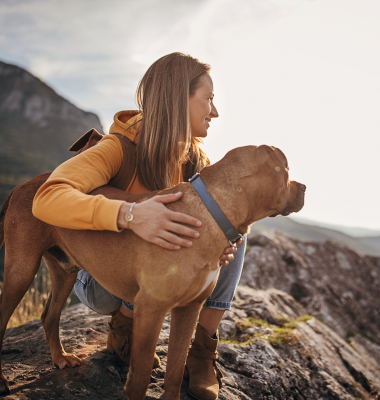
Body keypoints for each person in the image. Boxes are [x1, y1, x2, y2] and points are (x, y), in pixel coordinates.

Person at [32, 52, 244, 400]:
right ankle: (124, 328)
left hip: (155, 274)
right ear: (178, 101)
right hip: (102, 280)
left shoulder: (195, 159)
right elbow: (46, 198)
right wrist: (129, 215)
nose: (215, 112)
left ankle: (202, 354)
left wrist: (220, 249)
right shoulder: (117, 148)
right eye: (208, 99)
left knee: (233, 228)